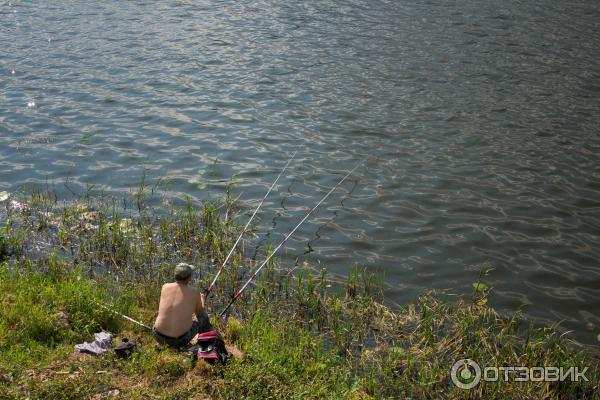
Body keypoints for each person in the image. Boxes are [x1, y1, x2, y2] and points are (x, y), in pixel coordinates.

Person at [153, 263, 210, 348]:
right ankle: (204, 343)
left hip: (157, 335)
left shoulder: (165, 287)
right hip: (179, 341)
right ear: (189, 277)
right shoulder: (195, 292)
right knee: (204, 317)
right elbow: (200, 313)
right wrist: (202, 299)